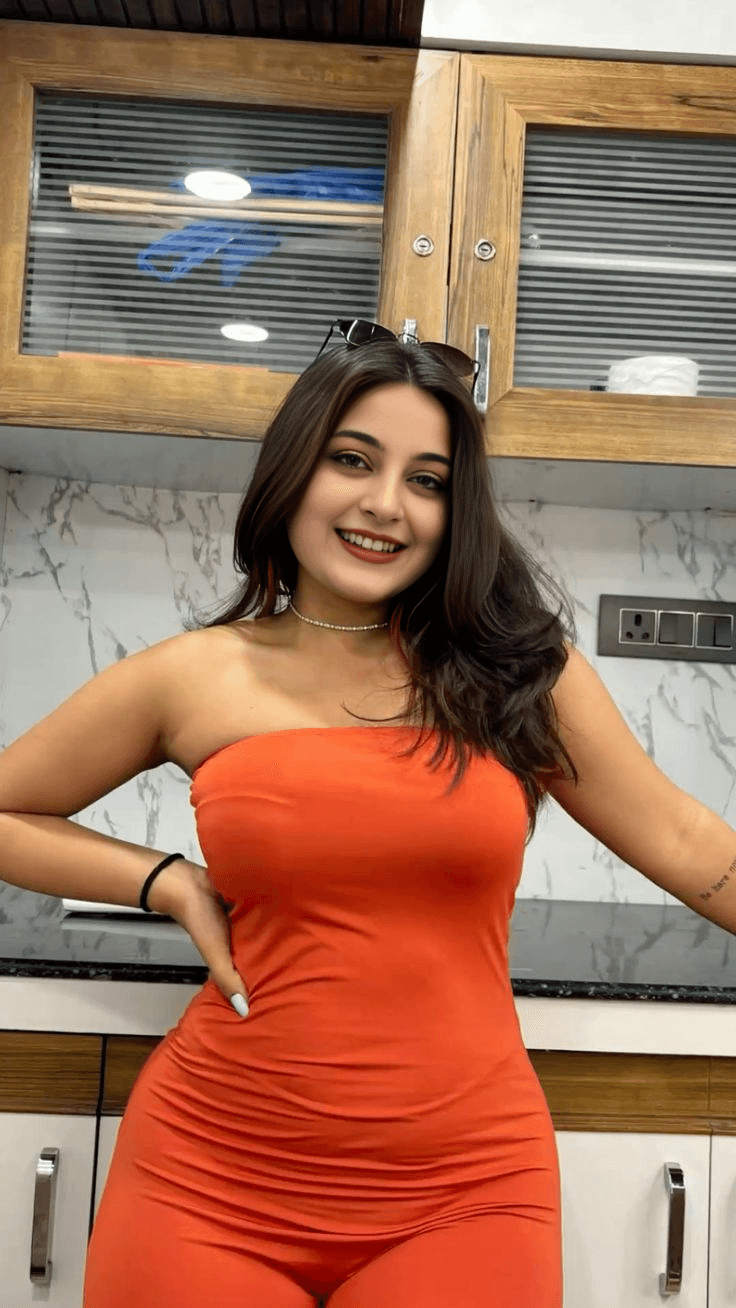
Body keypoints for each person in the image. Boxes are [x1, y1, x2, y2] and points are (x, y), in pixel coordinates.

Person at [0, 319, 722, 1308]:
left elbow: (684, 840)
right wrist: (164, 882)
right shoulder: (194, 675)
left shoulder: (518, 672)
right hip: (207, 1179)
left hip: (465, 1192)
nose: (386, 504)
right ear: (294, 468)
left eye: (427, 480)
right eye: (352, 460)